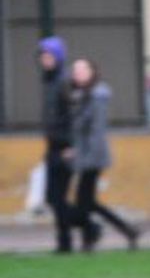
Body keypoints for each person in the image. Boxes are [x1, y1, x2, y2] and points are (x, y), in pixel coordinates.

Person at [66, 58, 141, 252]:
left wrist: (88, 157)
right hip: (85, 154)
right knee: (89, 202)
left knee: (81, 207)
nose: (78, 73)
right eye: (76, 70)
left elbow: (97, 130)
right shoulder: (80, 95)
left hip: (93, 156)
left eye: (83, 70)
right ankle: (126, 231)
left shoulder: (97, 96)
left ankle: (93, 234)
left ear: (92, 72)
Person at [37, 36, 73, 254]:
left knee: (58, 197)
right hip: (52, 146)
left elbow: (73, 116)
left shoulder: (63, 82)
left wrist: (72, 145)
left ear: (58, 57)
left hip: (65, 148)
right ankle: (86, 227)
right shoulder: (49, 81)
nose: (44, 59)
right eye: (42, 55)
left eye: (49, 55)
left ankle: (66, 242)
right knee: (52, 198)